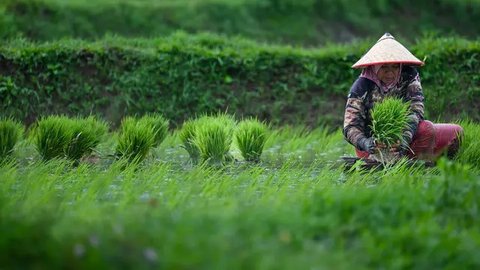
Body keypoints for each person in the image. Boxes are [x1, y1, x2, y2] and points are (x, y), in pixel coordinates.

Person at [343, 33, 463, 161]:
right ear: (375, 67)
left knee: (451, 131)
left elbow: (416, 110)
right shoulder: (362, 85)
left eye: (395, 67)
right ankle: (408, 163)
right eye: (384, 67)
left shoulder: (409, 75)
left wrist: (404, 138)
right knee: (425, 134)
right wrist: (366, 143)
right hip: (374, 147)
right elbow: (350, 126)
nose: (390, 73)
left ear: (400, 66)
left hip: (406, 139)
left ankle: (412, 161)